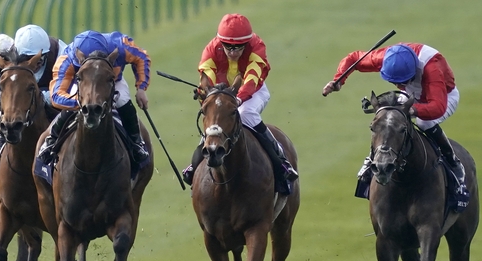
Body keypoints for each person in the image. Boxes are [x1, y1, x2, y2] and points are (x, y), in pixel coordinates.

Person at [182, 13, 298, 192]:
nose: (233, 52)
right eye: (228, 47)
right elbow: (207, 75)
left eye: (238, 47)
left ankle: (281, 161)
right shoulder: (212, 48)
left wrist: (238, 98)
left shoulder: (257, 47)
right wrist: (204, 92)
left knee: (245, 114)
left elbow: (251, 79)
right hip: (222, 92)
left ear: (247, 43)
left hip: (253, 92)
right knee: (215, 121)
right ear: (221, 42)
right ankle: (195, 164)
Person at [322, 42, 464, 186]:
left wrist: (413, 110)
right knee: (388, 119)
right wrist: (339, 79)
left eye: (402, 81)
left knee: (424, 122)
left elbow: (438, 107)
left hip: (445, 97)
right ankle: (373, 158)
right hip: (410, 94)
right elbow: (354, 58)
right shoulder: (387, 58)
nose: (397, 85)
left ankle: (453, 161)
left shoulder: (433, 67)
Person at [40, 29, 150, 164]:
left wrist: (141, 88)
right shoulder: (66, 60)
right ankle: (51, 140)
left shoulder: (120, 46)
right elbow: (56, 96)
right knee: (69, 107)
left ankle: (136, 143)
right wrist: (79, 103)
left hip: (110, 81)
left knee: (122, 101)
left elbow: (142, 57)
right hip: (82, 84)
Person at [0, 25, 66, 155]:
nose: (33, 63)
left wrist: (38, 96)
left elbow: (71, 91)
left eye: (38, 58)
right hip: (15, 108)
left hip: (53, 99)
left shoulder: (63, 54)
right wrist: (10, 95)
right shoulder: (7, 56)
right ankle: (0, 139)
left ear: (46, 53)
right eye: (26, 58)